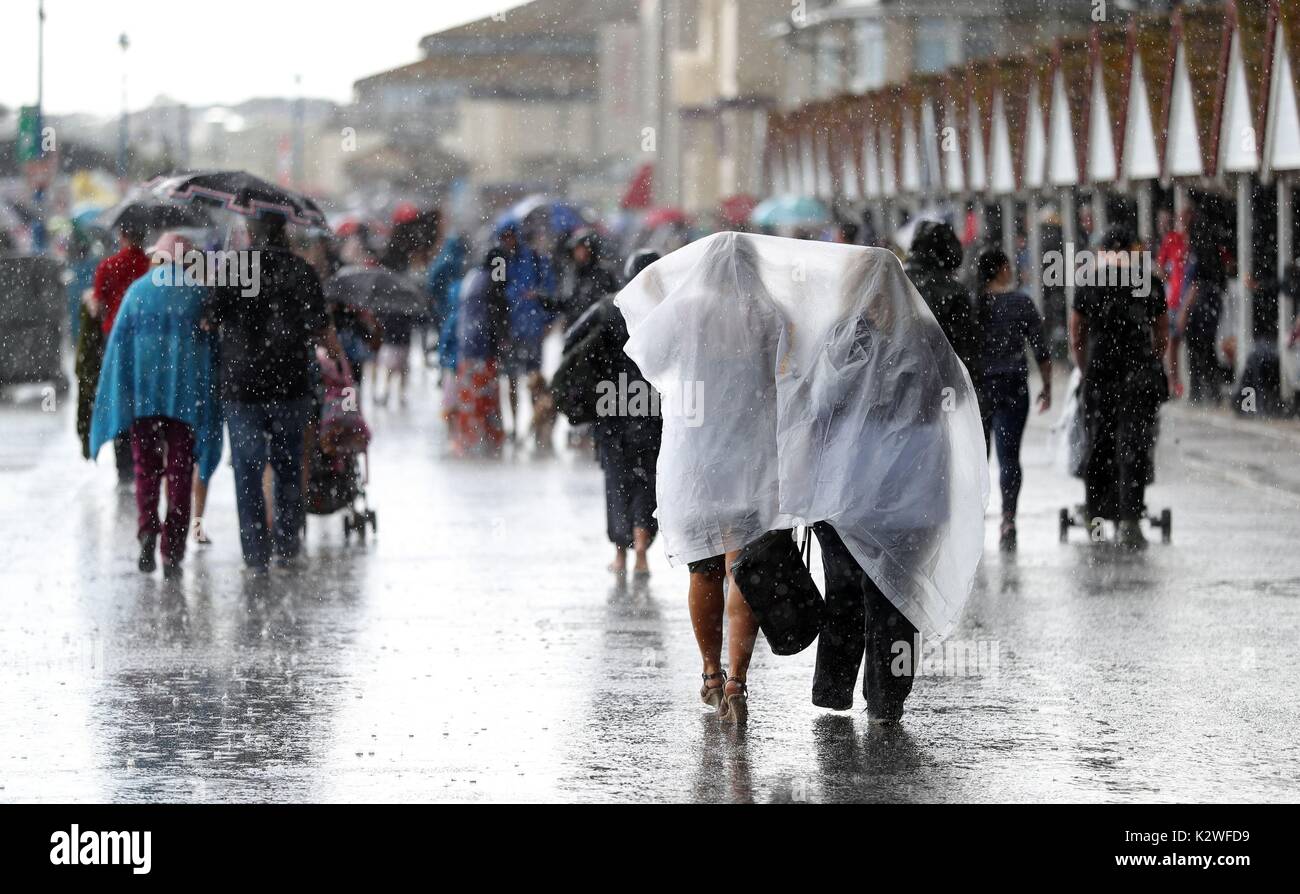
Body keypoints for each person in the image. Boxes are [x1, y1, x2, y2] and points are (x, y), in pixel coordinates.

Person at [618, 233, 988, 725]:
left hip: (789, 478)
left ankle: (774, 681)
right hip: (895, 483)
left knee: (815, 586)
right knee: (880, 591)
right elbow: (948, 396)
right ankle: (862, 696)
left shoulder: (833, 333)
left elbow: (813, 397)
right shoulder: (786, 317)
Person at [203, 214, 344, 573]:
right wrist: (340, 363)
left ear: (250, 233)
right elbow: (320, 331)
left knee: (248, 470)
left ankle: (255, 553)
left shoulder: (234, 268)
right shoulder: (302, 271)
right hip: (290, 383)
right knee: (288, 466)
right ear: (285, 231)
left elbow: (210, 320)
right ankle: (287, 542)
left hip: (241, 386)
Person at [89, 233, 223, 576]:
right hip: (185, 396)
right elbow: (211, 350)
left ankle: (148, 529)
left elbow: (118, 348)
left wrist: (117, 394)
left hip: (144, 397)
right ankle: (173, 549)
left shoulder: (137, 292)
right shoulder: (198, 294)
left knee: (146, 467)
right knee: (180, 471)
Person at [564, 249, 662, 580]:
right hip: (651, 408)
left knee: (617, 479)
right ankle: (642, 551)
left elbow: (570, 339)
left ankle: (620, 555)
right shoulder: (667, 310)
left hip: (611, 407)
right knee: (646, 478)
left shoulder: (608, 307)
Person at [1070, 227, 1168, 549]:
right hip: (1138, 375)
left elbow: (1077, 334)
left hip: (1101, 373)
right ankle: (1129, 521)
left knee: (1098, 442)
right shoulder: (1150, 282)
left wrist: (1087, 370)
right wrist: (1147, 363)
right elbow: (1162, 334)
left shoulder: (1089, 283)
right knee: (1134, 445)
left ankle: (1096, 519)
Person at [974, 247, 1053, 551]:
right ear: (1003, 269)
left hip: (979, 390)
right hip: (1012, 387)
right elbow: (1041, 351)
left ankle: (974, 516)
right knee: (1009, 458)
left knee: (978, 459)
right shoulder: (1021, 303)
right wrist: (1047, 386)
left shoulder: (973, 305)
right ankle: (1008, 520)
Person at [88, 217, 152, 484]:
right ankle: (146, 457)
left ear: (123, 235)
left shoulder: (108, 265)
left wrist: (89, 300)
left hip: (115, 342)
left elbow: (97, 307)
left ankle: (124, 464)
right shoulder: (151, 266)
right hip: (146, 343)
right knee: (144, 401)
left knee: (120, 399)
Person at [494, 220, 556, 446]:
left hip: (532, 329)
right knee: (509, 381)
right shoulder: (500, 262)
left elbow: (549, 292)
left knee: (533, 383)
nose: (508, 241)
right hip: (510, 330)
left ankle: (536, 426)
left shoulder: (536, 260)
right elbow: (496, 292)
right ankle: (512, 427)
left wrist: (546, 317)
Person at [905, 221, 981, 384]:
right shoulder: (954, 292)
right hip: (943, 383)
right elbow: (966, 348)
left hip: (904, 380)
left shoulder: (896, 282)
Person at [452, 248, 511, 457]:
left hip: (465, 350)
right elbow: (496, 319)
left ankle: (467, 441)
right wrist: (502, 342)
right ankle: (488, 445)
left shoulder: (472, 277)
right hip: (483, 350)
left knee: (469, 399)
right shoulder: (492, 283)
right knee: (486, 400)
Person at [1157, 207, 1191, 399]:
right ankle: (1174, 382)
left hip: (1188, 298)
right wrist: (1170, 279)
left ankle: (1181, 382)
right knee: (1173, 341)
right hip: (1175, 299)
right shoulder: (1172, 240)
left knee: (1182, 340)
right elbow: (1160, 266)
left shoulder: (1192, 242)